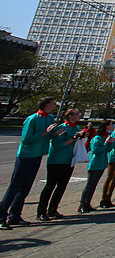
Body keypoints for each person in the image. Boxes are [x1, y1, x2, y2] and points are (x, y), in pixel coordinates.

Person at [0, 97, 60, 229]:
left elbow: (49, 136)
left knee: (25, 188)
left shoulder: (50, 118)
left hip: (37, 155)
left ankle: (14, 215)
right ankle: (1, 216)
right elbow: (26, 139)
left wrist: (56, 133)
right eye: (52, 103)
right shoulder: (32, 119)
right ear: (46, 105)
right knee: (15, 186)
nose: (54, 105)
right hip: (25, 156)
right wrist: (44, 133)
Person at [37, 108, 85, 221]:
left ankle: (53, 209)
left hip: (69, 161)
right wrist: (73, 138)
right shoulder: (62, 127)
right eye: (77, 114)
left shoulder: (76, 127)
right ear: (70, 116)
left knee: (62, 186)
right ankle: (41, 211)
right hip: (57, 161)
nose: (79, 115)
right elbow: (57, 145)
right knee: (50, 186)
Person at [79, 119, 115, 214]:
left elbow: (108, 149)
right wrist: (106, 143)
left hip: (102, 164)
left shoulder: (105, 137)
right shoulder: (97, 138)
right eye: (111, 124)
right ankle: (82, 204)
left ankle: (88, 203)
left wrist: (110, 143)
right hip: (95, 164)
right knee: (89, 185)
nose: (112, 126)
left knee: (94, 185)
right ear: (106, 126)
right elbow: (96, 150)